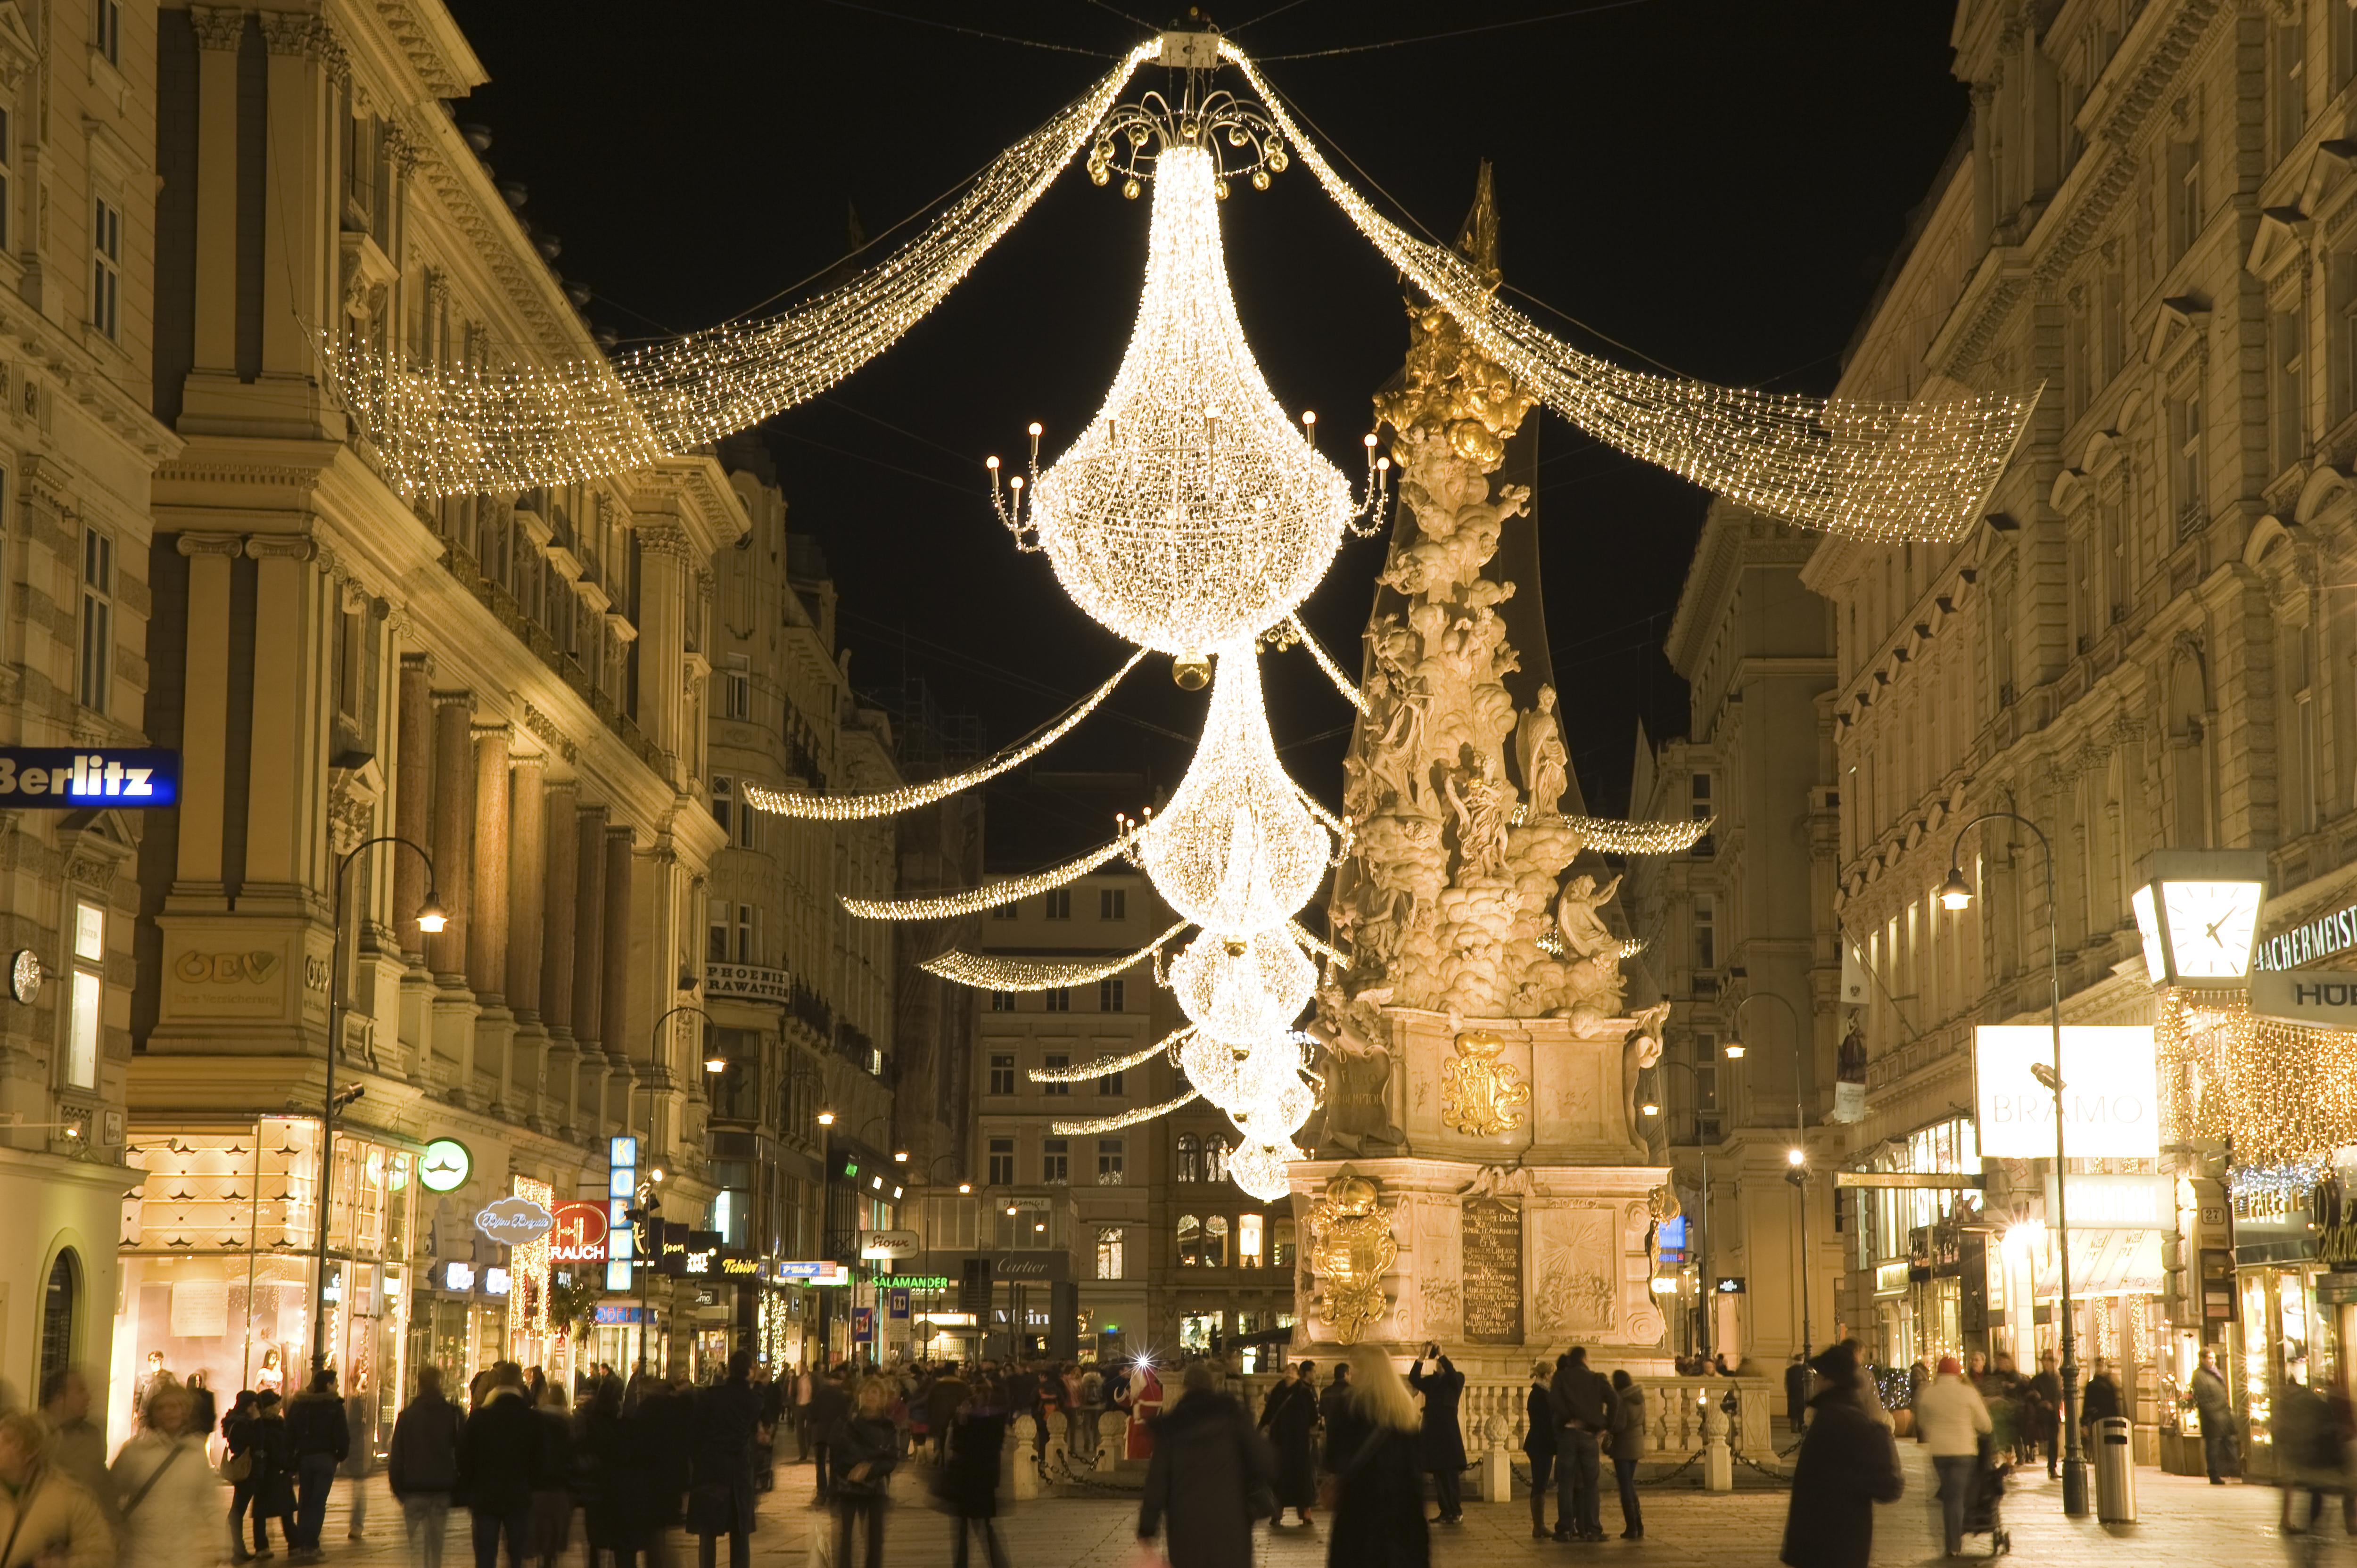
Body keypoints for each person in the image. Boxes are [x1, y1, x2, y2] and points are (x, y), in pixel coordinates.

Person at [1137, 1361, 1274, 1568]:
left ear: (1185, 1387)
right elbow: (1265, 1460)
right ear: (1213, 1385)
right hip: (1231, 1521)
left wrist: (1147, 1527)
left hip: (1186, 1526)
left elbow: (1157, 1482)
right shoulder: (1234, 1418)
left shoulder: (1172, 1428)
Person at [1779, 1345, 1904, 1568]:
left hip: (1829, 1542)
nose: (1815, 1382)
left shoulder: (1834, 1418)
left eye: (1820, 1377)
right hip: (1843, 1541)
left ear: (1831, 1380)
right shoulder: (1840, 1415)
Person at [1323, 1345, 1429, 1568]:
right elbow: (1415, 1473)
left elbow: (1332, 1458)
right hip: (1400, 1515)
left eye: (1357, 1368)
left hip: (1358, 1512)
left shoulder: (1349, 1406)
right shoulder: (1404, 1410)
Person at [108, 1375, 213, 1568]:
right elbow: (111, 1495)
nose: (167, 1412)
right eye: (161, 1408)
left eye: (174, 1406)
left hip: (184, 1555)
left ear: (185, 1411)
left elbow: (210, 1501)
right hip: (140, 1555)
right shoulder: (135, 1452)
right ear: (152, 1414)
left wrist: (222, 1545)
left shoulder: (195, 1452)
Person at [0, 1407, 110, 1568]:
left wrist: (63, 1565)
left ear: (30, 1452)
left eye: (8, 1441)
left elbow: (101, 1554)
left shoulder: (69, 1495)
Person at [456, 1362, 539, 1568]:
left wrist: (470, 1485)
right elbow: (540, 1459)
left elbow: (463, 1455)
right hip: (519, 1495)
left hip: (485, 1496)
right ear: (520, 1383)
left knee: (485, 1554)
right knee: (516, 1555)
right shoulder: (531, 1420)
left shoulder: (479, 1419)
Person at [1913, 1354, 1992, 1559]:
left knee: (1950, 1496)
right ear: (1958, 1373)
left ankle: (1951, 1539)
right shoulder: (1968, 1393)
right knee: (1955, 1497)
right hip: (1964, 1452)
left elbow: (1922, 1422)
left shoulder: (1929, 1393)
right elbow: (1985, 1424)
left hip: (1939, 1453)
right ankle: (1954, 1544)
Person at [688, 1350, 762, 1568]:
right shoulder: (752, 1400)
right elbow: (759, 1415)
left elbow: (694, 1433)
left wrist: (699, 1460)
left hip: (710, 1470)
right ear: (749, 1371)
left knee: (708, 1531)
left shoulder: (711, 1396)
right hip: (738, 1473)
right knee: (740, 1532)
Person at [388, 1365, 465, 1568]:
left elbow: (397, 1457)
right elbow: (462, 1452)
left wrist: (399, 1489)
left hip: (414, 1488)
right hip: (441, 1488)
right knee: (437, 1546)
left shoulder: (406, 1416)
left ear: (419, 1385)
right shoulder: (452, 1415)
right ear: (440, 1383)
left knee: (415, 1547)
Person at [938, 1376, 1009, 1568]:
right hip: (975, 1481)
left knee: (975, 1530)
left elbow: (958, 1446)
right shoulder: (990, 1418)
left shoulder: (981, 1419)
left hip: (973, 1480)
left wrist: (962, 1420)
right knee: (979, 1529)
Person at [827, 1378, 898, 1568]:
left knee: (875, 1541)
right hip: (848, 1487)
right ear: (860, 1396)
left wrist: (869, 1469)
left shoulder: (888, 1427)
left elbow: (891, 1459)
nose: (871, 1397)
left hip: (875, 1488)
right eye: (867, 1392)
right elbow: (836, 1454)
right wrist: (851, 1470)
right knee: (845, 1540)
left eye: (875, 1393)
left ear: (882, 1399)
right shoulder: (846, 1423)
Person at [1548, 1346, 1613, 1543]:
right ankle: (1593, 1529)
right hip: (1589, 1438)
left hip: (1568, 1436)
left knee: (1566, 1484)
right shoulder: (1596, 1379)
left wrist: (1571, 1418)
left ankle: (1566, 1529)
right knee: (1591, 1484)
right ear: (1585, 1359)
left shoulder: (1561, 1378)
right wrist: (1607, 1425)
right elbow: (1614, 1401)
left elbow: (1554, 1402)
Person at [284, 1369, 349, 1563]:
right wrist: (340, 1455)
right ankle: (311, 1545)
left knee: (305, 1500)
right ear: (328, 1385)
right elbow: (342, 1434)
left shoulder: (301, 1405)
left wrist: (292, 1455)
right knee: (318, 1502)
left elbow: (290, 1431)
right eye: (335, 1382)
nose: (337, 1385)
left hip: (305, 1458)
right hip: (326, 1458)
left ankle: (302, 1543)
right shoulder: (334, 1406)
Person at [1405, 1344, 1465, 1526]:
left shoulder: (1456, 1379)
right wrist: (1421, 1357)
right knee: (1439, 1473)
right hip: (1433, 1430)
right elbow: (1414, 1378)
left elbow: (1454, 1377)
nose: (1439, 1366)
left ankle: (1456, 1510)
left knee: (1450, 1474)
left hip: (1448, 1431)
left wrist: (1441, 1354)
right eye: (1438, 1364)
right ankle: (1445, 1511)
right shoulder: (1431, 1382)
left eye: (1442, 1364)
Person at [39, 1371, 109, 1518]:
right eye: (80, 1391)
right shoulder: (34, 1432)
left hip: (84, 1528)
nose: (88, 1398)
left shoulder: (93, 1435)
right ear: (59, 1398)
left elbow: (103, 1485)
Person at [1257, 1361, 1319, 1528]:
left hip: (1293, 1442)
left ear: (1298, 1375)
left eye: (1293, 1371)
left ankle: (1301, 1513)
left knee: (1291, 1477)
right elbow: (1269, 1413)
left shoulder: (1297, 1392)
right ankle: (1280, 1513)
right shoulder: (1289, 1392)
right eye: (1288, 1371)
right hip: (1286, 1442)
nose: (1290, 1374)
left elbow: (1313, 1416)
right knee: (1288, 1478)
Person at [528, 1384, 574, 1568]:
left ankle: (543, 1558)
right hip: (560, 1485)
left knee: (538, 1529)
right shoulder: (569, 1422)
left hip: (537, 1484)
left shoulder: (535, 1420)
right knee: (555, 1530)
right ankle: (550, 1558)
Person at [1606, 1369, 1646, 1541]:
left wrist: (1609, 1426)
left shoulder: (1621, 1399)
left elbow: (1619, 1425)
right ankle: (1639, 1524)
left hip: (1623, 1445)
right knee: (1629, 1483)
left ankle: (1632, 1526)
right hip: (1637, 1443)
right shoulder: (1640, 1398)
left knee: (1625, 1486)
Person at [1520, 1361, 1557, 1541]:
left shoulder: (1542, 1393)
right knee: (1540, 1484)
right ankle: (1539, 1526)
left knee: (1540, 1483)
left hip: (1541, 1443)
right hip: (1541, 1444)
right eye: (1552, 1373)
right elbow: (1547, 1422)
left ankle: (1539, 1525)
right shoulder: (1540, 1395)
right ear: (1546, 1375)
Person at [803, 1367, 848, 1509]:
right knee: (835, 1464)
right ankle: (834, 1493)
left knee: (820, 1464)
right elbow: (845, 1415)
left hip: (820, 1433)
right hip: (836, 1433)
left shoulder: (821, 1394)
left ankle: (821, 1493)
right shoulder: (842, 1396)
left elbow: (812, 1413)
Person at [2192, 1348, 2236, 1485]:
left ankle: (2233, 1469)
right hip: (2212, 1419)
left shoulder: (2216, 1373)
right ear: (2202, 1359)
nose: (2212, 1361)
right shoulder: (2199, 1376)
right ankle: (2214, 1474)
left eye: (2213, 1358)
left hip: (2223, 1416)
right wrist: (2215, 1414)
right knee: (2213, 1446)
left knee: (2229, 1443)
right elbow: (2203, 1399)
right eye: (2209, 1358)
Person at [344, 1373, 376, 1541]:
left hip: (355, 1450)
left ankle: (356, 1526)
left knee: (359, 1490)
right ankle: (357, 1526)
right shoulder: (358, 1400)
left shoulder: (354, 1401)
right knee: (359, 1491)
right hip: (357, 1450)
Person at [1318, 1364, 1362, 1483]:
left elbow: (1321, 1411)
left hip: (1331, 1433)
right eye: (1350, 1374)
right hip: (1350, 1436)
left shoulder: (1325, 1392)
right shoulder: (1354, 1392)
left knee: (1333, 1472)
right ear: (1346, 1374)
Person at [2027, 1350, 2062, 1479]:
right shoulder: (2037, 1380)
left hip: (2054, 1414)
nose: (2047, 1363)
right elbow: (2032, 1396)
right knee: (2046, 1438)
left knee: (2054, 1441)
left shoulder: (2057, 1378)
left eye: (2050, 1360)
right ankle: (2033, 1452)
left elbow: (2060, 1394)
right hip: (2042, 1414)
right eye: (2045, 1360)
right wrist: (2042, 1403)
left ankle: (2052, 1467)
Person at [927, 1363, 968, 1464]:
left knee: (942, 1440)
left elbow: (929, 1403)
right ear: (955, 1371)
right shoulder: (962, 1386)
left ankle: (943, 1459)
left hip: (940, 1419)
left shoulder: (937, 1386)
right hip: (956, 1420)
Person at [1073, 1362, 1103, 1465]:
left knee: (1086, 1426)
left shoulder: (1084, 1380)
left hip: (1086, 1406)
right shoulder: (1100, 1380)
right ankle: (1096, 1444)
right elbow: (1102, 1393)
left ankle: (1087, 1445)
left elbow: (1080, 1393)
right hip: (1097, 1406)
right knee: (1096, 1426)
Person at [1784, 1350, 1809, 1436]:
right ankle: (1800, 1428)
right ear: (1802, 1360)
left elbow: (1787, 1383)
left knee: (1793, 1412)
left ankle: (1793, 1428)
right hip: (1802, 1393)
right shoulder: (1804, 1370)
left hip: (1792, 1394)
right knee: (1801, 1411)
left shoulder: (1789, 1370)